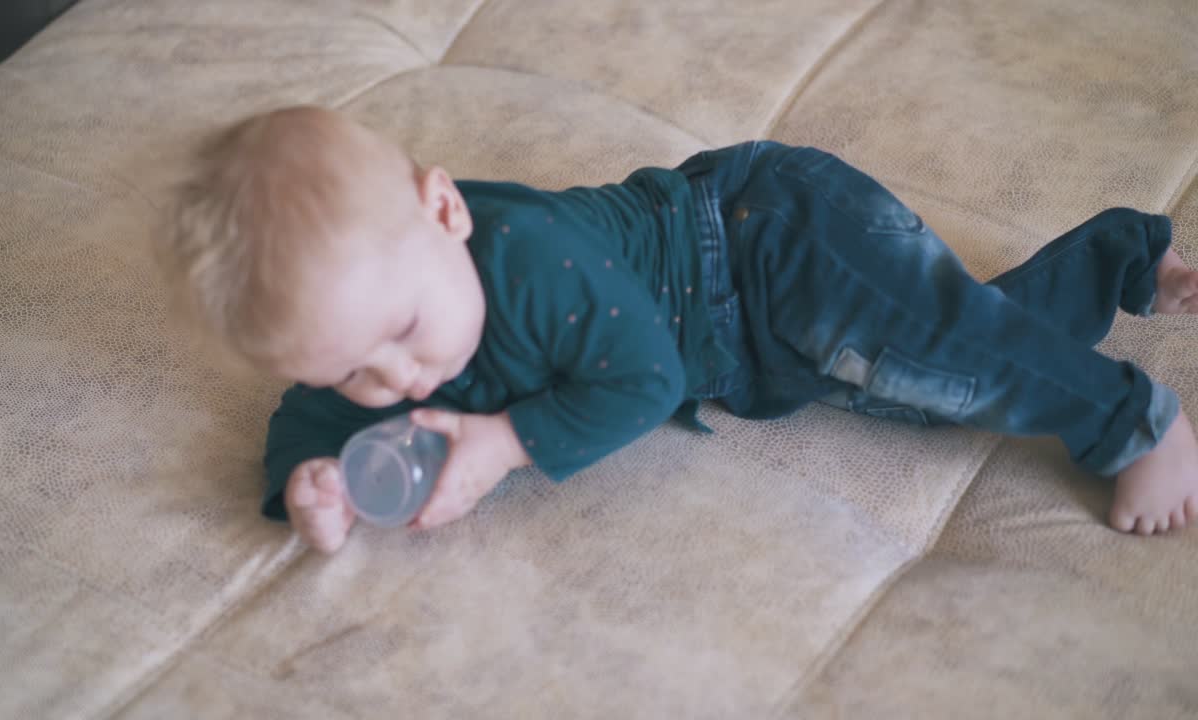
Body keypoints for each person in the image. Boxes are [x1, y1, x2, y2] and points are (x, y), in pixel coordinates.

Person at [156, 105, 1198, 553]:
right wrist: (313, 481)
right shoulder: (365, 333)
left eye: (400, 333)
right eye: (353, 373)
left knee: (938, 348)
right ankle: (1118, 258)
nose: (398, 377)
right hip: (748, 344)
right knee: (946, 378)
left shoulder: (526, 260)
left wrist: (504, 443)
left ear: (445, 212)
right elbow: (300, 412)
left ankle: (1134, 422)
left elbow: (642, 379)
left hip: (767, 240)